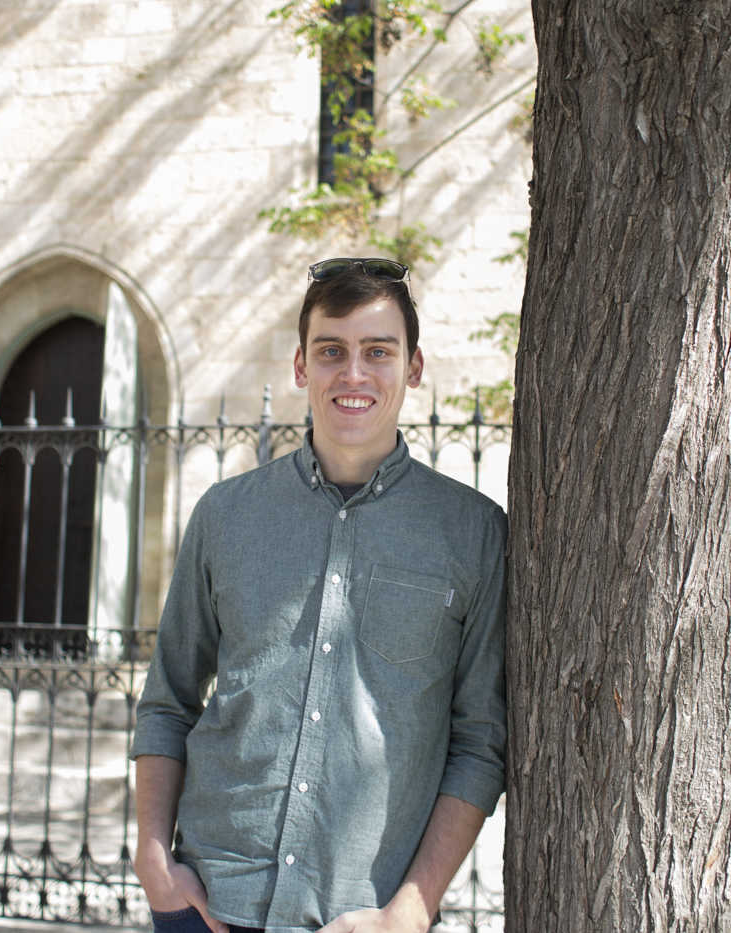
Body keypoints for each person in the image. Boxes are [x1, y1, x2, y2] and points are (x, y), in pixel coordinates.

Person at [131, 257, 508, 933]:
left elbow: (479, 743)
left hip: (363, 917)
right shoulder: (225, 514)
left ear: (414, 367)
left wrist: (410, 910)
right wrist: (154, 856)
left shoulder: (473, 532)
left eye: (378, 351)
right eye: (331, 350)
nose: (353, 373)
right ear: (302, 366)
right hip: (208, 901)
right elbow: (168, 700)